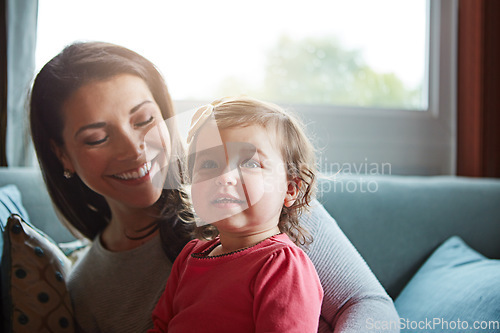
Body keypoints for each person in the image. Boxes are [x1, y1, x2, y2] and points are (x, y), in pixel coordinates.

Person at [29, 41, 400, 332]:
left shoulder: (256, 197)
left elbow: (366, 305)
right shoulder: (87, 289)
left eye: (144, 119)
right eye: (97, 138)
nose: (134, 149)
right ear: (62, 155)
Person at [149, 97, 324, 332]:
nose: (224, 177)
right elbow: (161, 326)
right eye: (209, 164)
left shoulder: (282, 266)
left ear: (290, 189)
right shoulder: (191, 254)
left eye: (250, 164)